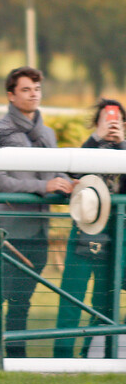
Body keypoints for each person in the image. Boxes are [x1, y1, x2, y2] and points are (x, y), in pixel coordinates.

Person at [0, 66, 74, 358]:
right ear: (11, 95)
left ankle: (16, 358)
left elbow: (55, 174)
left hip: (39, 230)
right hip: (6, 231)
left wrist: (68, 183)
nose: (33, 95)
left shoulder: (48, 133)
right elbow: (0, 182)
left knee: (23, 301)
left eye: (37, 89)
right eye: (26, 89)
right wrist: (44, 185)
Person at [53, 99, 126, 358]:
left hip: (116, 237)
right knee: (71, 301)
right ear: (96, 124)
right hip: (84, 232)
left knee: (105, 304)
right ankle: (61, 357)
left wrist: (121, 144)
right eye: (106, 120)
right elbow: (75, 170)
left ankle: (91, 356)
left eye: (118, 120)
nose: (112, 125)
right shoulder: (88, 147)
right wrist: (97, 139)